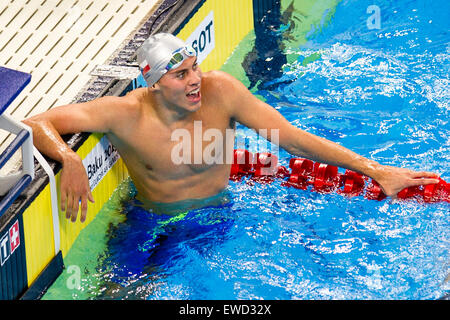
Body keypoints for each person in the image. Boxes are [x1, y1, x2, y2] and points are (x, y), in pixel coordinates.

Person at [23, 33, 440, 223]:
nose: (194, 80)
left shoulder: (221, 92)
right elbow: (36, 122)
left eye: (195, 68)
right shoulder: (124, 114)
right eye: (180, 74)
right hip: (152, 222)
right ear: (153, 84)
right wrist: (68, 157)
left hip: (224, 213)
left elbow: (291, 138)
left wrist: (375, 170)